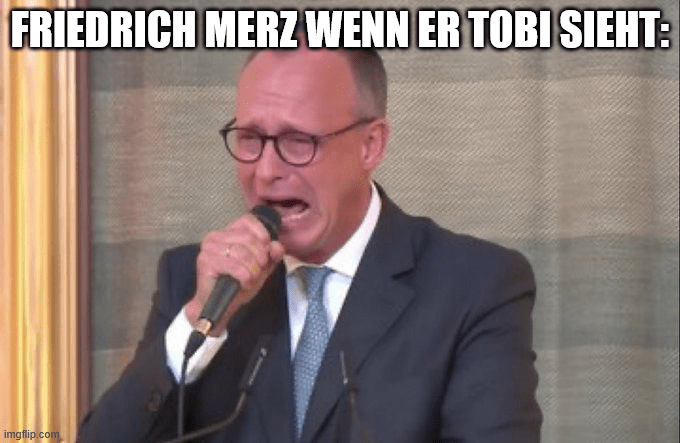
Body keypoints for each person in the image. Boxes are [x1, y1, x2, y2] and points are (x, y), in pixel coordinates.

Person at [78, 42, 542, 443]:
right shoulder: (194, 282)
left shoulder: (474, 287)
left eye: (298, 141)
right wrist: (202, 320)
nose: (265, 171)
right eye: (250, 138)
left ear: (371, 145)